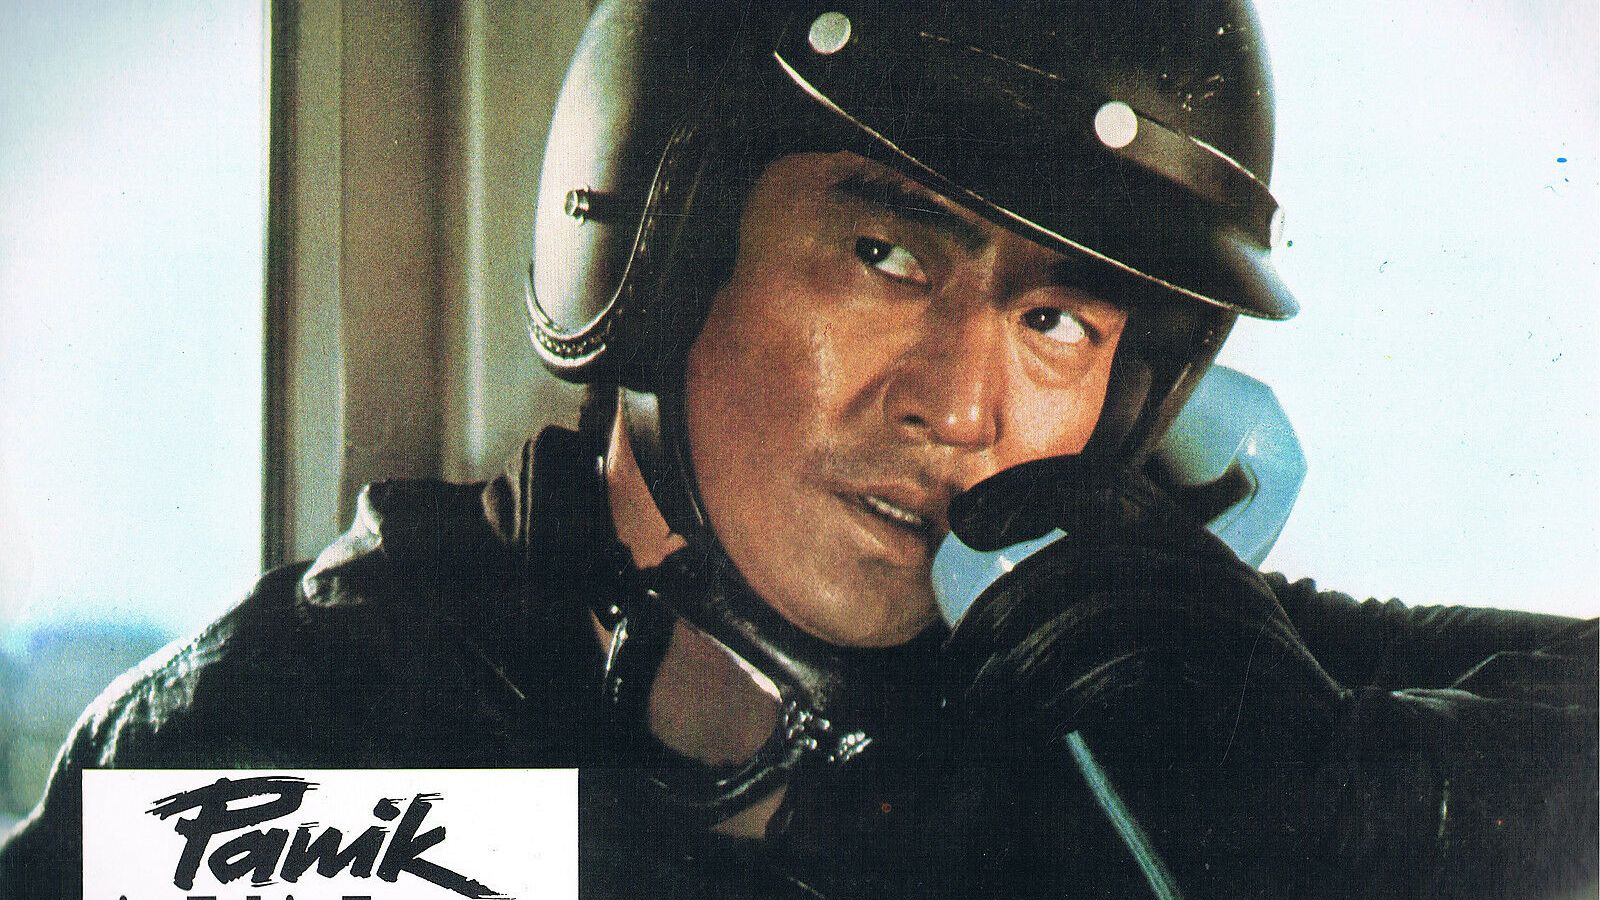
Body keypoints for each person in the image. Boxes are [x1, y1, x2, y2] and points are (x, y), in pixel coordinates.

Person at [1, 1, 1594, 897]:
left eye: (1057, 320)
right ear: (661, 242)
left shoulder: (1129, 691)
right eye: (886, 256)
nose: (961, 406)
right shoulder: (295, 724)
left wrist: (1366, 800)